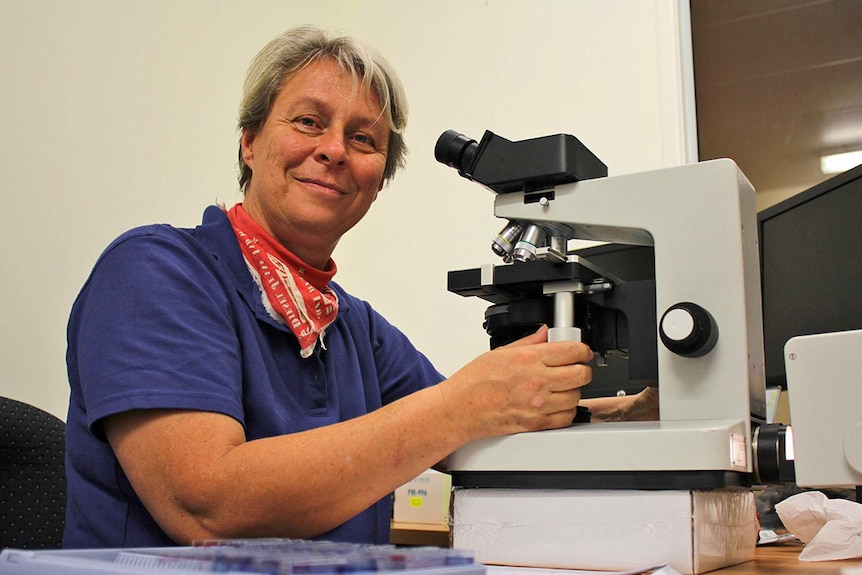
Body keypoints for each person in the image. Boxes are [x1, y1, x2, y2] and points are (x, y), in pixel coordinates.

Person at [63, 25, 606, 549]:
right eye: (307, 121)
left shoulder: (350, 325)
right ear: (249, 143)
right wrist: (459, 406)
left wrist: (636, 414)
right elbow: (207, 505)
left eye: (363, 138)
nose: (334, 150)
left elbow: (481, 426)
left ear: (378, 181)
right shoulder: (155, 271)